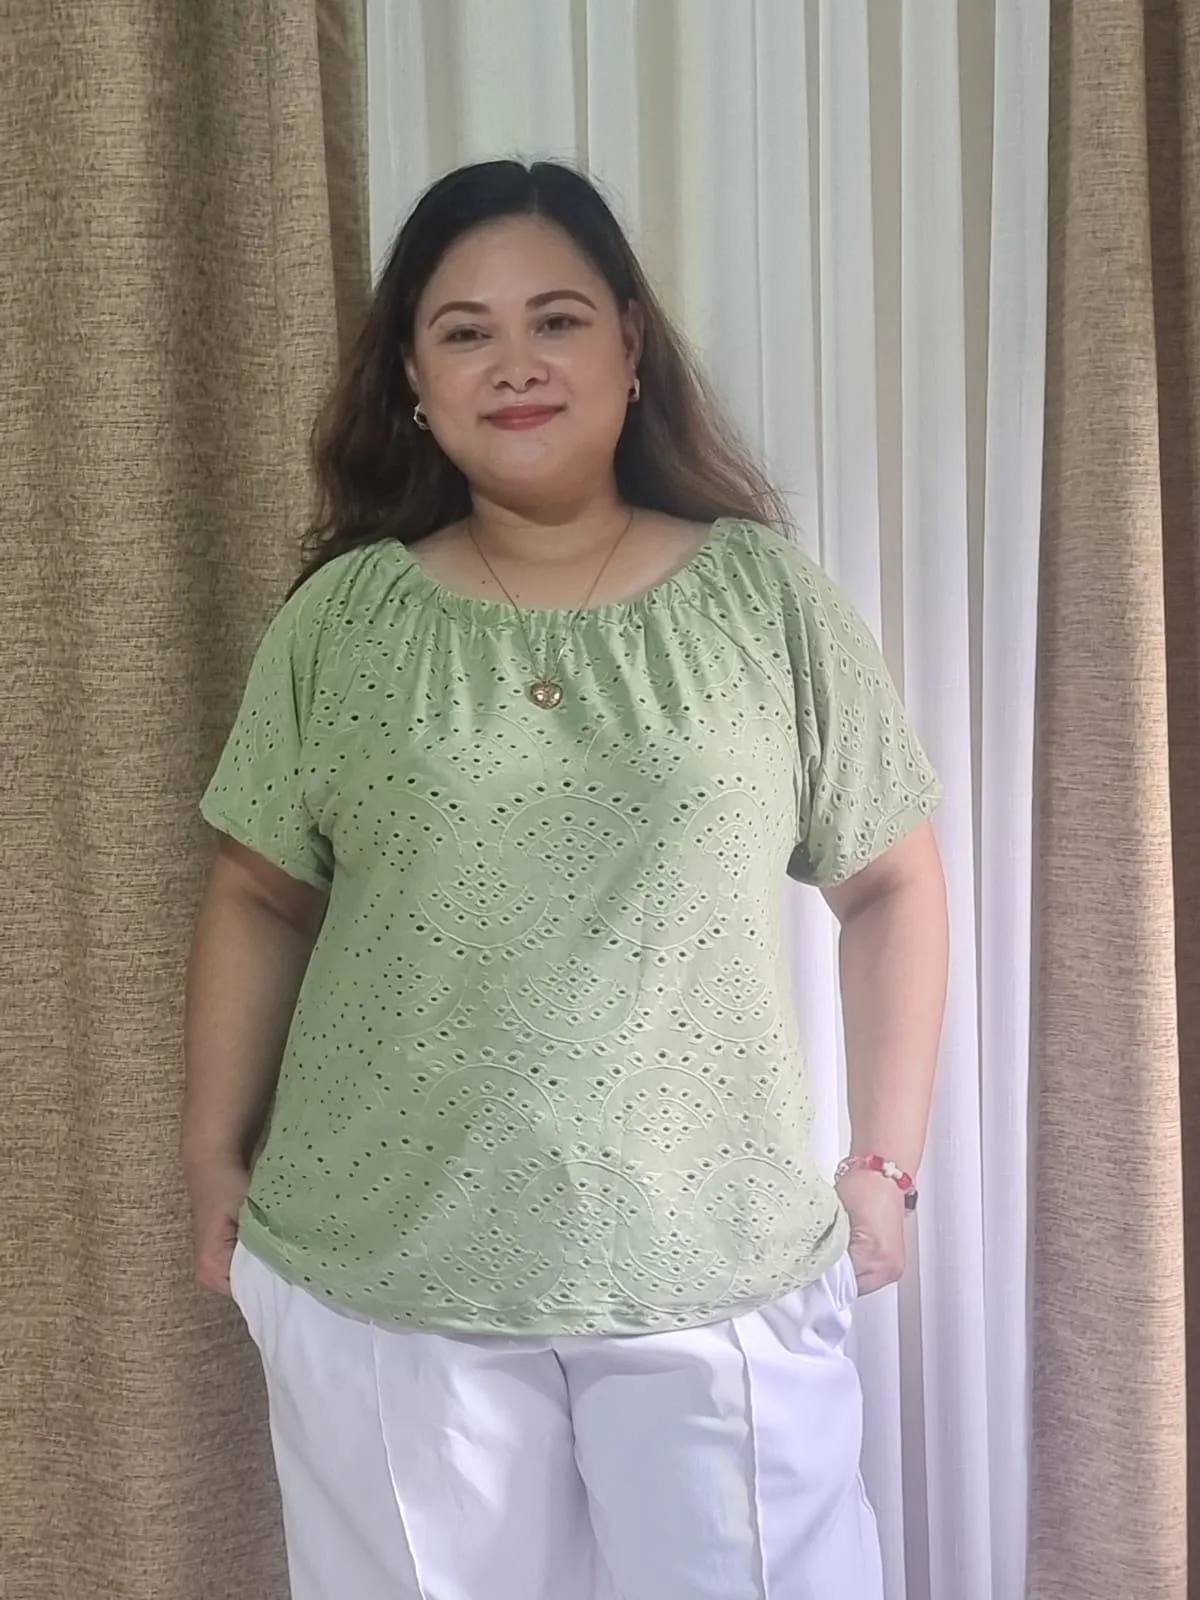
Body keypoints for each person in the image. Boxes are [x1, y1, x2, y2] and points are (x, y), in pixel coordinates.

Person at [182, 158, 948, 1600]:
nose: (516, 362)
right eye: (464, 331)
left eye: (558, 319)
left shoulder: (765, 600)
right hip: (385, 1276)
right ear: (413, 381)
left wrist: (887, 1166)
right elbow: (259, 891)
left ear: (631, 347)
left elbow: (892, 884)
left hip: (714, 1270)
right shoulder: (342, 623)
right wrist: (210, 1155)